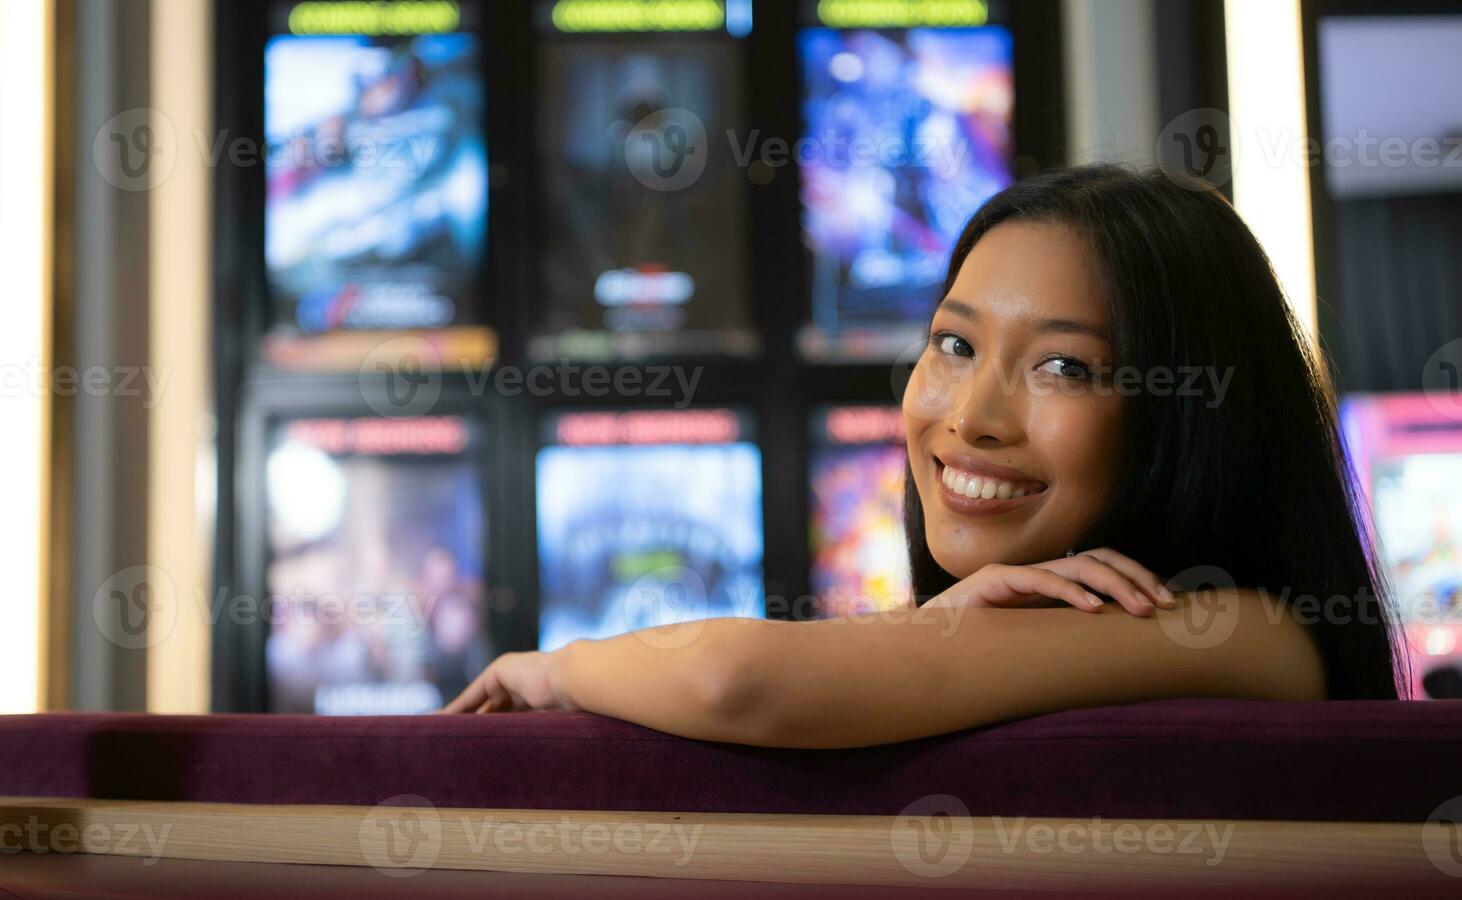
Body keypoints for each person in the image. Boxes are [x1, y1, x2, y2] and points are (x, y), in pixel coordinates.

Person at [442, 164, 1408, 746]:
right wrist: (942, 625)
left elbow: (733, 680)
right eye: (953, 344)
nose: (973, 416)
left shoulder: (1247, 632)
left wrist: (555, 671)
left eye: (1065, 366)